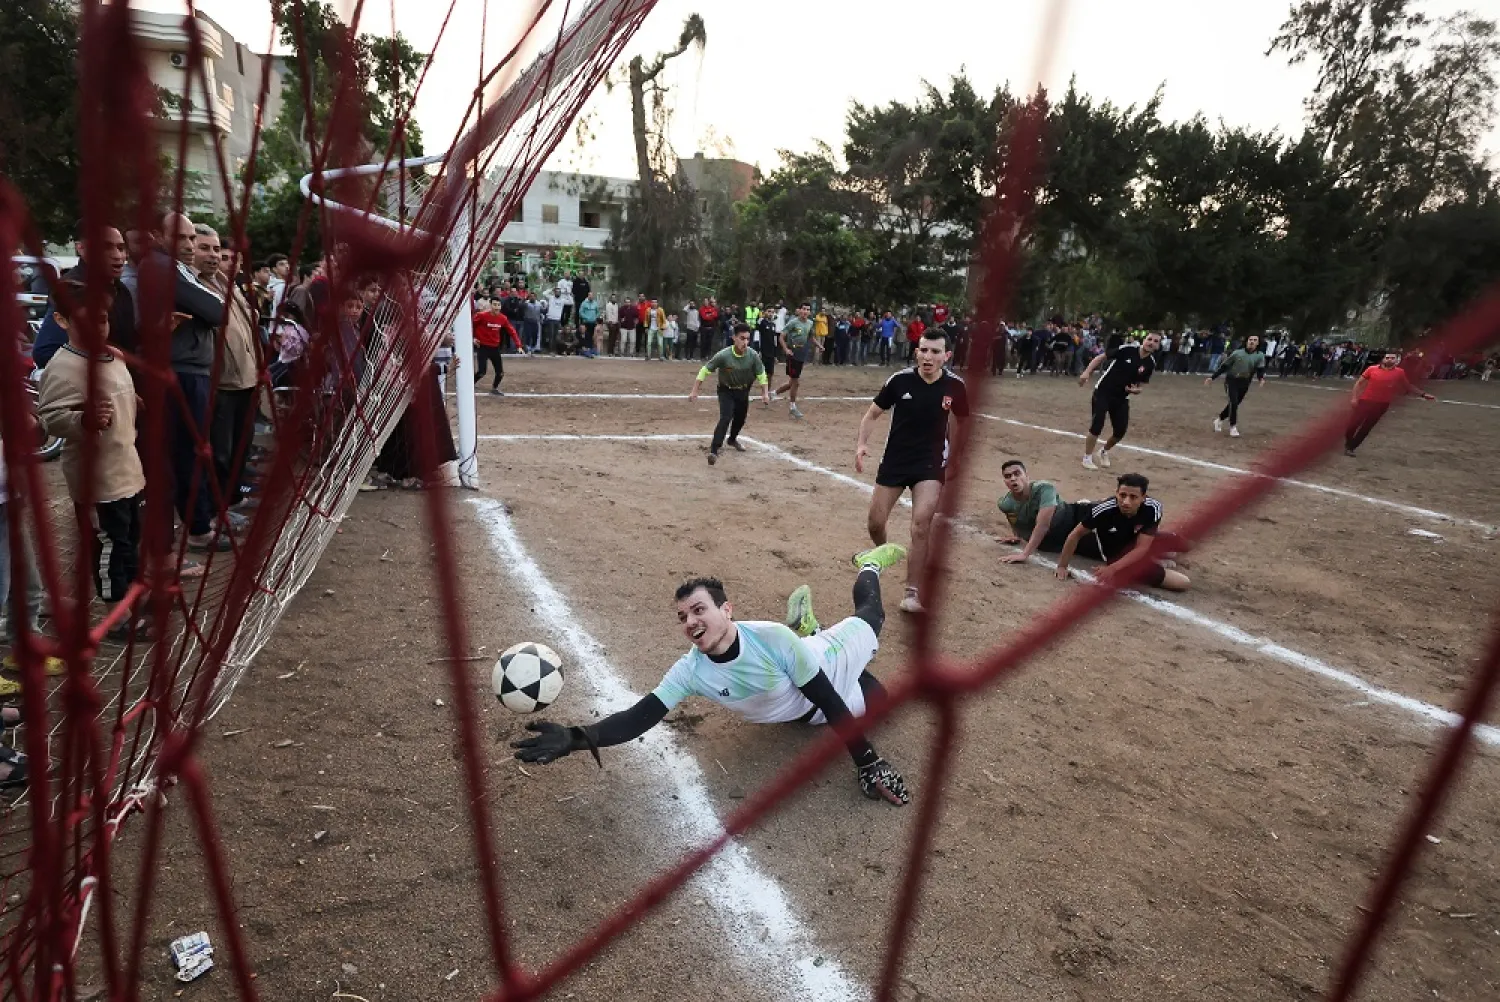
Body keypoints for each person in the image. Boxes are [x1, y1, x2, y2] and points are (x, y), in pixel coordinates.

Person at [512, 550, 913, 806]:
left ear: (727, 610)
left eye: (699, 610)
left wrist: (868, 762)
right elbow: (639, 717)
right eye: (683, 616)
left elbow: (827, 697)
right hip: (800, 705)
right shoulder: (690, 671)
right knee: (876, 699)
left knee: (871, 617)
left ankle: (868, 565)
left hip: (824, 661)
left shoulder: (772, 638)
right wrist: (577, 737)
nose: (691, 622)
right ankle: (812, 626)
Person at [36, 282, 149, 640]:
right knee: (111, 544)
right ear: (62, 320)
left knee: (130, 537)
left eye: (104, 319)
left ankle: (129, 596)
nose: (99, 327)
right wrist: (82, 421)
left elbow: (118, 395)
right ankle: (114, 617)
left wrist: (133, 402)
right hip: (97, 478)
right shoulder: (64, 367)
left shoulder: (111, 356)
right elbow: (50, 417)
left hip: (126, 468)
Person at [854, 330, 970, 614]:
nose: (927, 357)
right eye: (923, 350)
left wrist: (954, 456)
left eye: (934, 352)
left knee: (920, 524)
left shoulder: (955, 386)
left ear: (946, 356)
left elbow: (961, 421)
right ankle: (885, 552)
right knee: (875, 523)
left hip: (929, 464)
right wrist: (861, 445)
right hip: (895, 461)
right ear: (916, 351)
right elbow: (872, 414)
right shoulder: (899, 380)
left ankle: (911, 592)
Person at [1053, 473, 1191, 591]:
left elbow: (1141, 547)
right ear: (1116, 493)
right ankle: (1156, 561)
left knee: (1185, 544)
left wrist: (1111, 569)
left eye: (1133, 497)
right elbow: (1075, 534)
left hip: (1140, 541)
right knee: (1183, 583)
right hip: (1118, 553)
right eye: (1122, 495)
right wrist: (1062, 566)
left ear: (1143, 498)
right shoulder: (1103, 510)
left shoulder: (1153, 508)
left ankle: (1157, 557)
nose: (1126, 502)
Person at [1077, 331, 1161, 471]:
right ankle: (1087, 457)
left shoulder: (1150, 363)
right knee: (1097, 424)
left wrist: (1136, 390)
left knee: (1120, 431)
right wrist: (1087, 372)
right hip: (1103, 391)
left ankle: (1103, 451)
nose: (1151, 342)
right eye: (1149, 339)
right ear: (1144, 340)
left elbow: (1140, 384)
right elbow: (1100, 358)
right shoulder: (1127, 350)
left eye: (1156, 341)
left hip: (1122, 397)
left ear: (1158, 346)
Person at [689, 323, 771, 465]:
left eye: (747, 339)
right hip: (726, 390)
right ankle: (714, 450)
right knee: (726, 417)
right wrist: (695, 390)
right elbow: (705, 370)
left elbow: (761, 374)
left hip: (743, 390)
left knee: (740, 418)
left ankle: (732, 439)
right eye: (742, 338)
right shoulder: (723, 355)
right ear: (734, 338)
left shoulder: (753, 355)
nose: (745, 342)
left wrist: (765, 393)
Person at [1345, 351, 1436, 457]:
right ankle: (1349, 442)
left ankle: (1351, 448)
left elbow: (1408, 386)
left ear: (1396, 361)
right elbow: (1359, 383)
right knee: (1352, 426)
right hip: (1365, 401)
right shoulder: (1372, 369)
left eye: (1392, 358)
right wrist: (1354, 398)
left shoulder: (1399, 372)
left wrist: (1423, 394)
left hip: (1381, 405)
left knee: (1366, 427)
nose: (1389, 359)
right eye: (1387, 357)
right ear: (1383, 359)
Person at [996, 460, 1078, 563]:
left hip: (1076, 521)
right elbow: (1017, 521)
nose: (1013, 478)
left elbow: (1043, 525)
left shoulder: (1044, 489)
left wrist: (1024, 554)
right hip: (1056, 542)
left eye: (1017, 474)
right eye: (1008, 476)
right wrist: (1017, 536)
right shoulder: (1005, 504)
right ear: (1005, 482)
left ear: (1027, 476)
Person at [1205, 334, 1267, 437]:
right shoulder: (1237, 353)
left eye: (1254, 340)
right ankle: (1233, 427)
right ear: (1247, 341)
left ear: (1258, 343)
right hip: (1231, 380)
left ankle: (1219, 420)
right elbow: (1224, 366)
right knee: (1233, 403)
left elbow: (1260, 369)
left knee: (1233, 404)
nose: (1252, 341)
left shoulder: (1260, 355)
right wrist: (1212, 377)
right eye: (1250, 339)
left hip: (1245, 382)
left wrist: (1261, 378)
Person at [774, 303, 814, 419]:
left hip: (802, 354)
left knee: (792, 382)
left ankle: (773, 393)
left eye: (808, 310)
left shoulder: (810, 323)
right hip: (793, 354)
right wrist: (786, 349)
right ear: (799, 310)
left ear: (810, 312)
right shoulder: (793, 322)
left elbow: (810, 337)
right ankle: (792, 407)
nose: (805, 311)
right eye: (804, 309)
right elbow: (781, 336)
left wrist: (818, 346)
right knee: (795, 382)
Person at [472, 302, 520, 395]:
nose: (496, 307)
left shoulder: (503, 318)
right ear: (490, 306)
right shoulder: (481, 315)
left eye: (498, 305)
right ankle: (470, 384)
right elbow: (471, 326)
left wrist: (518, 345)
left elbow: (512, 331)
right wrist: (473, 338)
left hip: (494, 348)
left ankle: (495, 388)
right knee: (482, 372)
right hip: (483, 347)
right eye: (494, 305)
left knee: (500, 372)